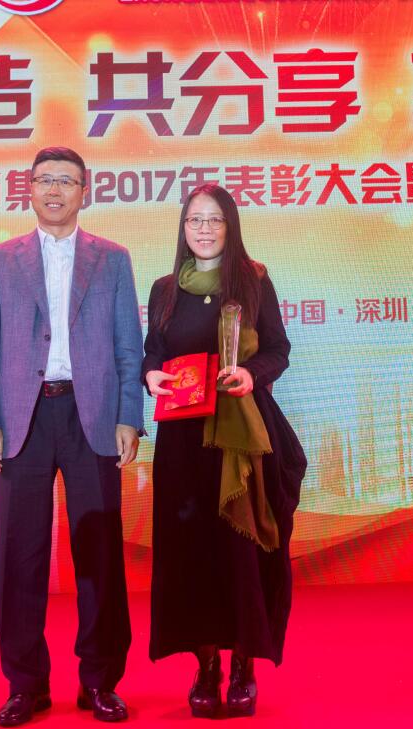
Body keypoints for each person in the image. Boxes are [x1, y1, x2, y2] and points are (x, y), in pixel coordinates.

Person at [0, 147, 144, 727]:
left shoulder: (112, 259)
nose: (54, 190)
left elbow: (129, 346)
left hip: (92, 416)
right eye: (44, 180)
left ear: (84, 191)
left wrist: (129, 416)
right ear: (30, 188)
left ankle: (99, 681)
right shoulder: (0, 261)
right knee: (20, 554)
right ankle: (26, 685)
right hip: (23, 420)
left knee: (99, 554)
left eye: (66, 181)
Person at [142, 183, 306, 719]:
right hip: (183, 443)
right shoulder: (165, 289)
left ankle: (242, 666)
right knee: (191, 554)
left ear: (230, 226)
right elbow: (153, 353)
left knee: (241, 553)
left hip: (241, 440)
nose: (205, 229)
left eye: (215, 219)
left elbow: (278, 349)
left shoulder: (253, 281)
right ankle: (206, 665)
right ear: (183, 228)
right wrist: (150, 376)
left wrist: (251, 373)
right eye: (195, 220)